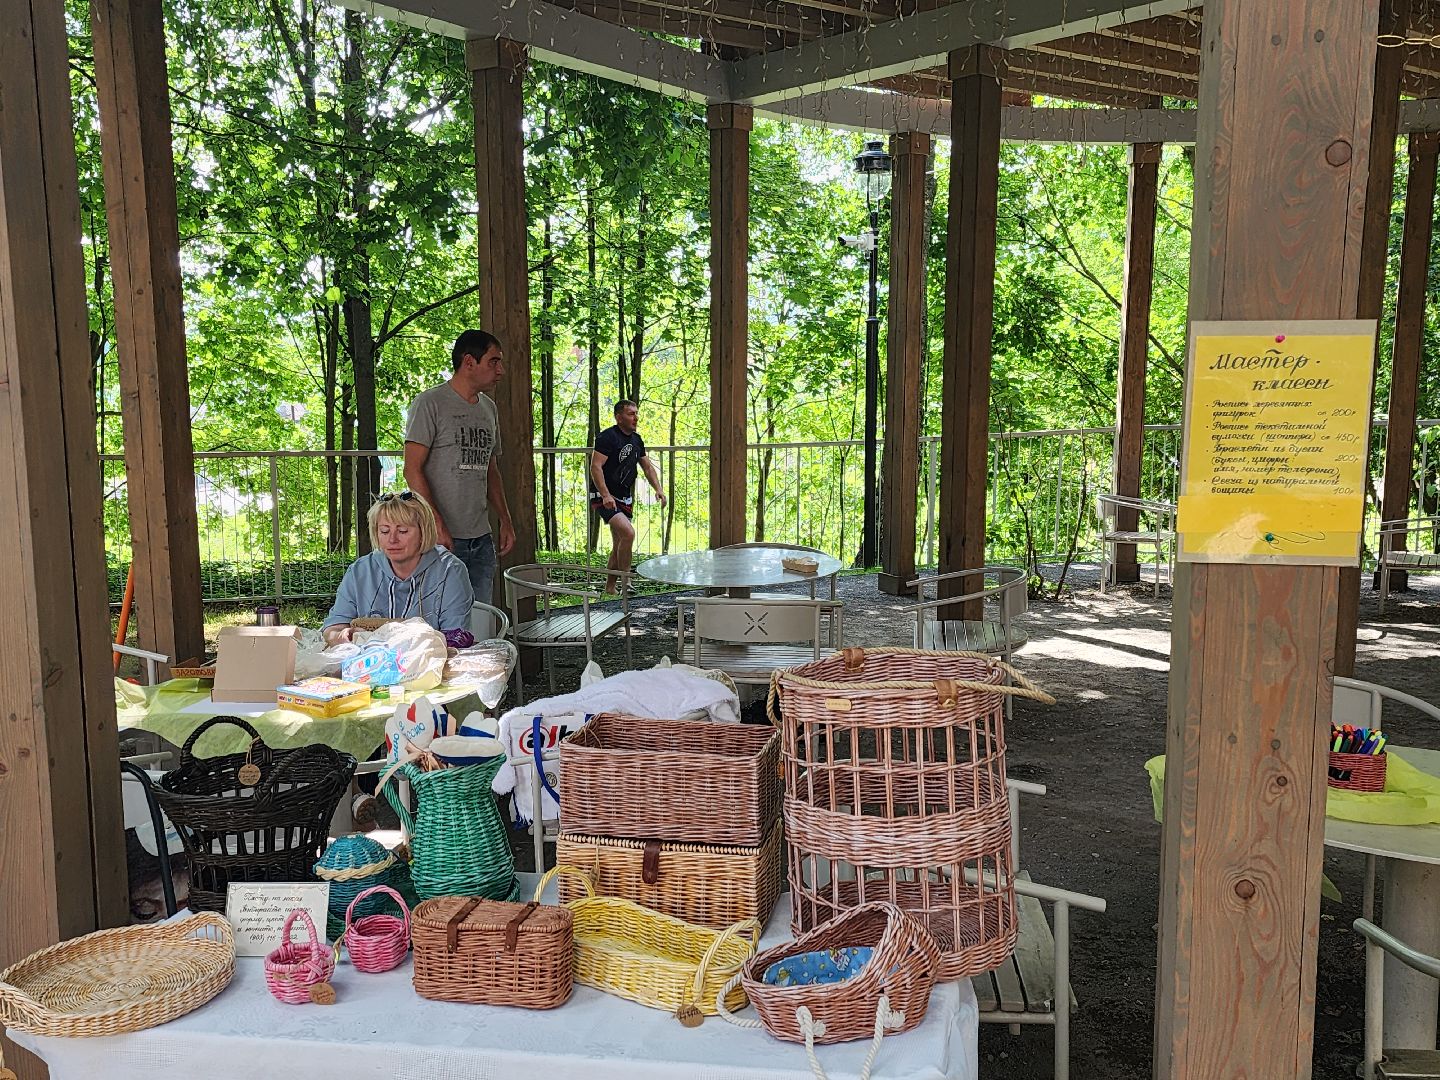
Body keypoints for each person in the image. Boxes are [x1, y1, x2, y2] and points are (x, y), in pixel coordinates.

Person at [403, 329, 516, 605]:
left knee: (481, 615)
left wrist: (505, 519)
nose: (500, 370)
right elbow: (411, 469)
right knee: (440, 615)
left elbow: (490, 469)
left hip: (481, 537)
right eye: (493, 361)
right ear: (468, 362)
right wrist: (436, 524)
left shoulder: (488, 408)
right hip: (440, 538)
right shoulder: (430, 403)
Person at [322, 491, 474, 645]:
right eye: (384, 531)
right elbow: (332, 628)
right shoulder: (360, 571)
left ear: (423, 531)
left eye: (402, 531)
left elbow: (455, 638)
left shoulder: (450, 571)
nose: (392, 539)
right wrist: (343, 636)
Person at [590, 399, 665, 589]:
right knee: (628, 533)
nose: (636, 418)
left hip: (624, 497)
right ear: (619, 417)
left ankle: (609, 588)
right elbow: (596, 467)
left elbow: (647, 467)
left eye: (636, 413)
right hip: (603, 496)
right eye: (631, 414)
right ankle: (627, 581)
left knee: (619, 543)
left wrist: (658, 489)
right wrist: (605, 495)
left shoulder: (636, 440)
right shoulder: (607, 437)